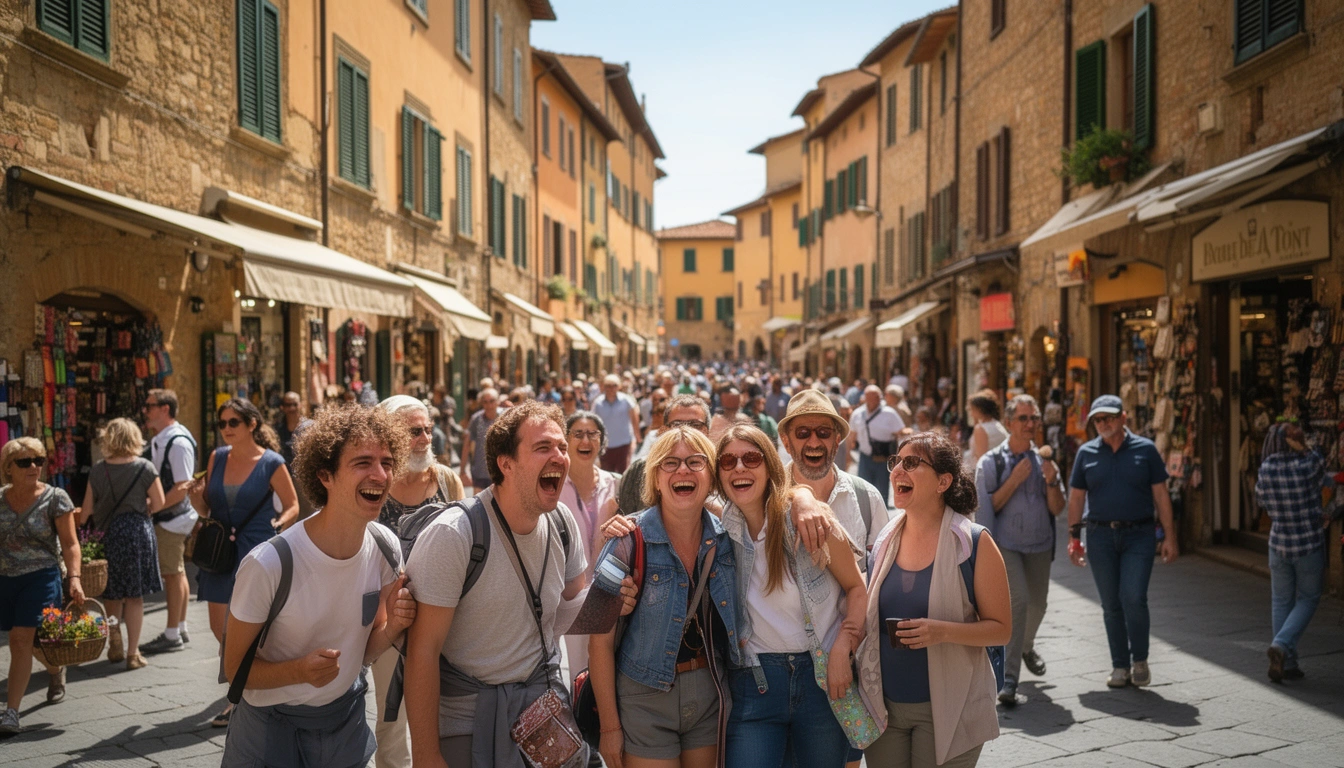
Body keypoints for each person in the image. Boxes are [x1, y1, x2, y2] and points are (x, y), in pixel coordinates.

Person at [220, 405, 417, 768]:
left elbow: (363, 651)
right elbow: (235, 670)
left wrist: (392, 629)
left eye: (387, 463)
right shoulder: (269, 564)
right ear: (325, 475)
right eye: (363, 463)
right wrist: (297, 671)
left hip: (345, 727)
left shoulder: (386, 548)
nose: (381, 475)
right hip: (269, 732)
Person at [403, 400, 590, 767]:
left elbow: (574, 605)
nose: (559, 456)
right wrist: (426, 755)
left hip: (542, 710)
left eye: (562, 448)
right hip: (466, 721)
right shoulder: (455, 535)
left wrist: (621, 583)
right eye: (542, 448)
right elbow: (422, 651)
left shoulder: (562, 522)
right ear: (506, 463)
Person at [718, 424, 869, 768]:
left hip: (820, 679)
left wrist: (843, 648)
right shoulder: (718, 527)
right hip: (753, 683)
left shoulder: (811, 522)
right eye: (728, 461)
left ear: (770, 464)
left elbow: (857, 588)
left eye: (751, 458)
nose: (739, 467)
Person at [857, 433, 1011, 767]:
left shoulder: (974, 542)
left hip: (950, 707)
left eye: (911, 463)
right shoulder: (884, 539)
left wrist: (942, 632)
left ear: (943, 481)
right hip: (882, 708)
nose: (898, 469)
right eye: (896, 461)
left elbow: (1001, 630)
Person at [588, 427, 740, 768]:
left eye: (695, 462)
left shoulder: (727, 541)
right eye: (669, 463)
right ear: (655, 479)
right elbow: (598, 642)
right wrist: (610, 727)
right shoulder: (624, 541)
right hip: (643, 698)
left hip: (708, 693)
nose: (682, 470)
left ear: (712, 478)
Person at [191, 397, 301, 728]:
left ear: (251, 425)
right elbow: (207, 508)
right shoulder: (217, 458)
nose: (225, 429)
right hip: (220, 551)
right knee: (218, 625)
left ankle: (237, 696)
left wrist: (280, 526)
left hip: (256, 550)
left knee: (249, 624)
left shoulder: (272, 462)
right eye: (221, 424)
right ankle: (252, 675)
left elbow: (293, 505)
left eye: (232, 423)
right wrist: (195, 497)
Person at [370, 396, 465, 768]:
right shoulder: (374, 482)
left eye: (428, 429)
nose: (426, 437)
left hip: (442, 617)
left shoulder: (447, 480)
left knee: (442, 712)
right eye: (414, 431)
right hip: (389, 617)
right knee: (390, 722)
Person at [1066, 394, 1178, 689]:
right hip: (1100, 535)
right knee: (1111, 604)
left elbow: (1161, 495)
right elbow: (1076, 497)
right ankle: (1120, 665)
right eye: (1098, 419)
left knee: (1133, 597)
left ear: (1123, 418)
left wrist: (1169, 536)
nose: (1103, 423)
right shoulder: (1086, 453)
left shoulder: (1146, 449)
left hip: (1139, 534)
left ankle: (1139, 659)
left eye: (1109, 417)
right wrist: (1074, 538)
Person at [974, 395, 1064, 706]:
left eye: (1034, 418)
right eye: (1024, 418)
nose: (1030, 424)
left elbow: (1058, 508)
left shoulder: (1046, 460)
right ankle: (1008, 678)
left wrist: (1052, 483)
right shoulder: (991, 462)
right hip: (1006, 546)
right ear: (1010, 423)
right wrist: (1013, 480)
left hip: (1040, 545)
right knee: (1020, 602)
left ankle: (1026, 647)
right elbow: (987, 510)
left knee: (1039, 605)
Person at [0, 438, 83, 733]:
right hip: (5, 578)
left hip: (41, 576)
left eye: (38, 460)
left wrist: (74, 578)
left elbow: (71, 544)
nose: (33, 466)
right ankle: (55, 668)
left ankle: (11, 713)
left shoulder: (55, 497)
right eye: (24, 462)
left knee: (21, 640)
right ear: (8, 468)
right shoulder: (0, 499)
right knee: (34, 644)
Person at [78, 418, 166, 670]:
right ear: (134, 438)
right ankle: (133, 653)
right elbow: (158, 503)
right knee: (135, 597)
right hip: (137, 533)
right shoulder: (145, 467)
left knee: (112, 592)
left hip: (108, 534)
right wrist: (142, 507)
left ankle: (113, 633)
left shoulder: (97, 470)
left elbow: (86, 511)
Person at [1255, 421, 1334, 682]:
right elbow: (1322, 460)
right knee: (1310, 598)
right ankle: (1281, 645)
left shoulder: (1266, 468)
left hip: (1278, 543)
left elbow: (1261, 500)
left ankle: (1287, 664)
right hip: (1308, 542)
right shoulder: (1307, 464)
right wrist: (1303, 445)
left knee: (1281, 601)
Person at [778, 389, 889, 552]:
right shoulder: (768, 499)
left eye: (824, 433)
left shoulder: (868, 499)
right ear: (786, 443)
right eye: (803, 433)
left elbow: (882, 569)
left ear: (837, 441)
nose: (814, 443)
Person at [558, 410, 622, 678]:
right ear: (566, 441)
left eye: (592, 434)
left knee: (607, 669)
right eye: (578, 434)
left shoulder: (616, 484)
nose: (586, 440)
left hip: (610, 594)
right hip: (568, 595)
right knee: (577, 672)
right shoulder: (554, 485)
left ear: (601, 441)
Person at [138, 389, 201, 656]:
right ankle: (181, 627)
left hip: (173, 518)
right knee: (177, 573)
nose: (146, 411)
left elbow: (183, 485)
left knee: (172, 574)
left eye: (150, 406)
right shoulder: (164, 439)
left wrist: (153, 507)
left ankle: (172, 633)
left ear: (165, 409)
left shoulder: (177, 442)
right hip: (172, 517)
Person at [849, 385, 906, 507]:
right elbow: (852, 434)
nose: (872, 400)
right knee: (863, 490)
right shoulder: (858, 414)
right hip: (864, 456)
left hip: (882, 457)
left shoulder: (889, 413)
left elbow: (901, 431)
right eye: (868, 397)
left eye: (875, 397)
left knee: (881, 492)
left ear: (879, 398)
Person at [593, 375, 641, 473]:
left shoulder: (626, 400)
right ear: (603, 386)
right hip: (605, 446)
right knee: (607, 474)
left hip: (623, 444)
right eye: (608, 385)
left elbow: (634, 418)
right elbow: (594, 423)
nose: (611, 388)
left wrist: (637, 436)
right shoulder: (597, 403)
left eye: (614, 385)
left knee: (623, 474)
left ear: (618, 386)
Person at [460, 387, 499, 492]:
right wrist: (462, 470)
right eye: (485, 402)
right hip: (479, 472)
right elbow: (467, 444)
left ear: (497, 402)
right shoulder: (476, 419)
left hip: (499, 473)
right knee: (479, 506)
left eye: (491, 401)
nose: (489, 405)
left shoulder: (504, 418)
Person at [967, 392, 1008, 468]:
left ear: (979, 410)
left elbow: (981, 460)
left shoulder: (980, 429)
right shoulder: (997, 424)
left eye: (972, 410)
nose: (971, 414)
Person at [274, 391, 311, 467]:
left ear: (300, 405)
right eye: (288, 405)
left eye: (294, 404)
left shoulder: (309, 427)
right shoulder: (276, 430)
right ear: (282, 407)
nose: (291, 408)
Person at [633, 389, 669, 460]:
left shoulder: (672, 408)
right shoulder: (645, 406)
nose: (658, 402)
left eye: (661, 399)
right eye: (655, 399)